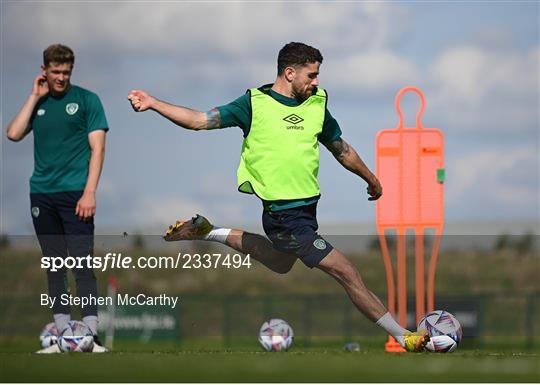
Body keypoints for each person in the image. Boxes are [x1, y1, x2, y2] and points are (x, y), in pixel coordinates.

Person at [128, 42, 428, 352]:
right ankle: (404, 336)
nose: (316, 82)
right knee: (346, 271)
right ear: (289, 73)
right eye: (311, 76)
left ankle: (210, 231)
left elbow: (342, 149)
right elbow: (199, 120)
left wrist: (371, 177)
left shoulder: (317, 104)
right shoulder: (253, 104)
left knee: (282, 262)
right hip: (284, 214)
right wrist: (153, 103)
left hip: (306, 211)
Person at [6, 44, 108, 353]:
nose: (61, 78)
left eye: (66, 72)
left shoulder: (88, 101)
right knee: (54, 264)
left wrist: (90, 191)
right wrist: (34, 96)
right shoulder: (39, 102)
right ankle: (64, 335)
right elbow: (13, 133)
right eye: (56, 72)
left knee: (81, 263)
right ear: (44, 71)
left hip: (77, 194)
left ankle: (91, 335)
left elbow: (98, 148)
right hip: (41, 194)